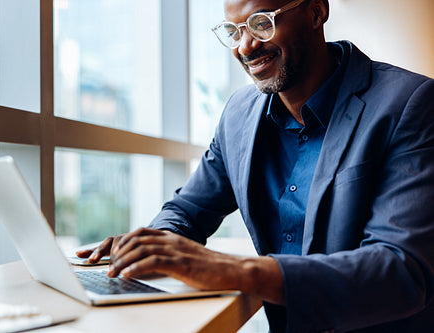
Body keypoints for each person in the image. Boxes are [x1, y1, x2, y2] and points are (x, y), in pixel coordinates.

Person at [77, 0, 434, 331]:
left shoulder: (410, 103)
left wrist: (236, 270)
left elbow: (402, 271)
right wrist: (153, 247)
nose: (245, 47)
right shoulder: (238, 114)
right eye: (234, 31)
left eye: (261, 23)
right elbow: (189, 208)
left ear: (315, 12)